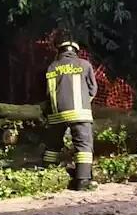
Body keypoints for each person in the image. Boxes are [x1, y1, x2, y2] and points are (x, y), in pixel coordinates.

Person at [41, 40, 98, 191]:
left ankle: (46, 175)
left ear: (60, 51)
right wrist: (84, 101)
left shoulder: (52, 67)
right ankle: (82, 181)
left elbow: (46, 92)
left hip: (56, 114)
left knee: (52, 146)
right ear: (76, 52)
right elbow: (93, 89)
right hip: (79, 112)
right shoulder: (84, 65)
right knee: (83, 145)